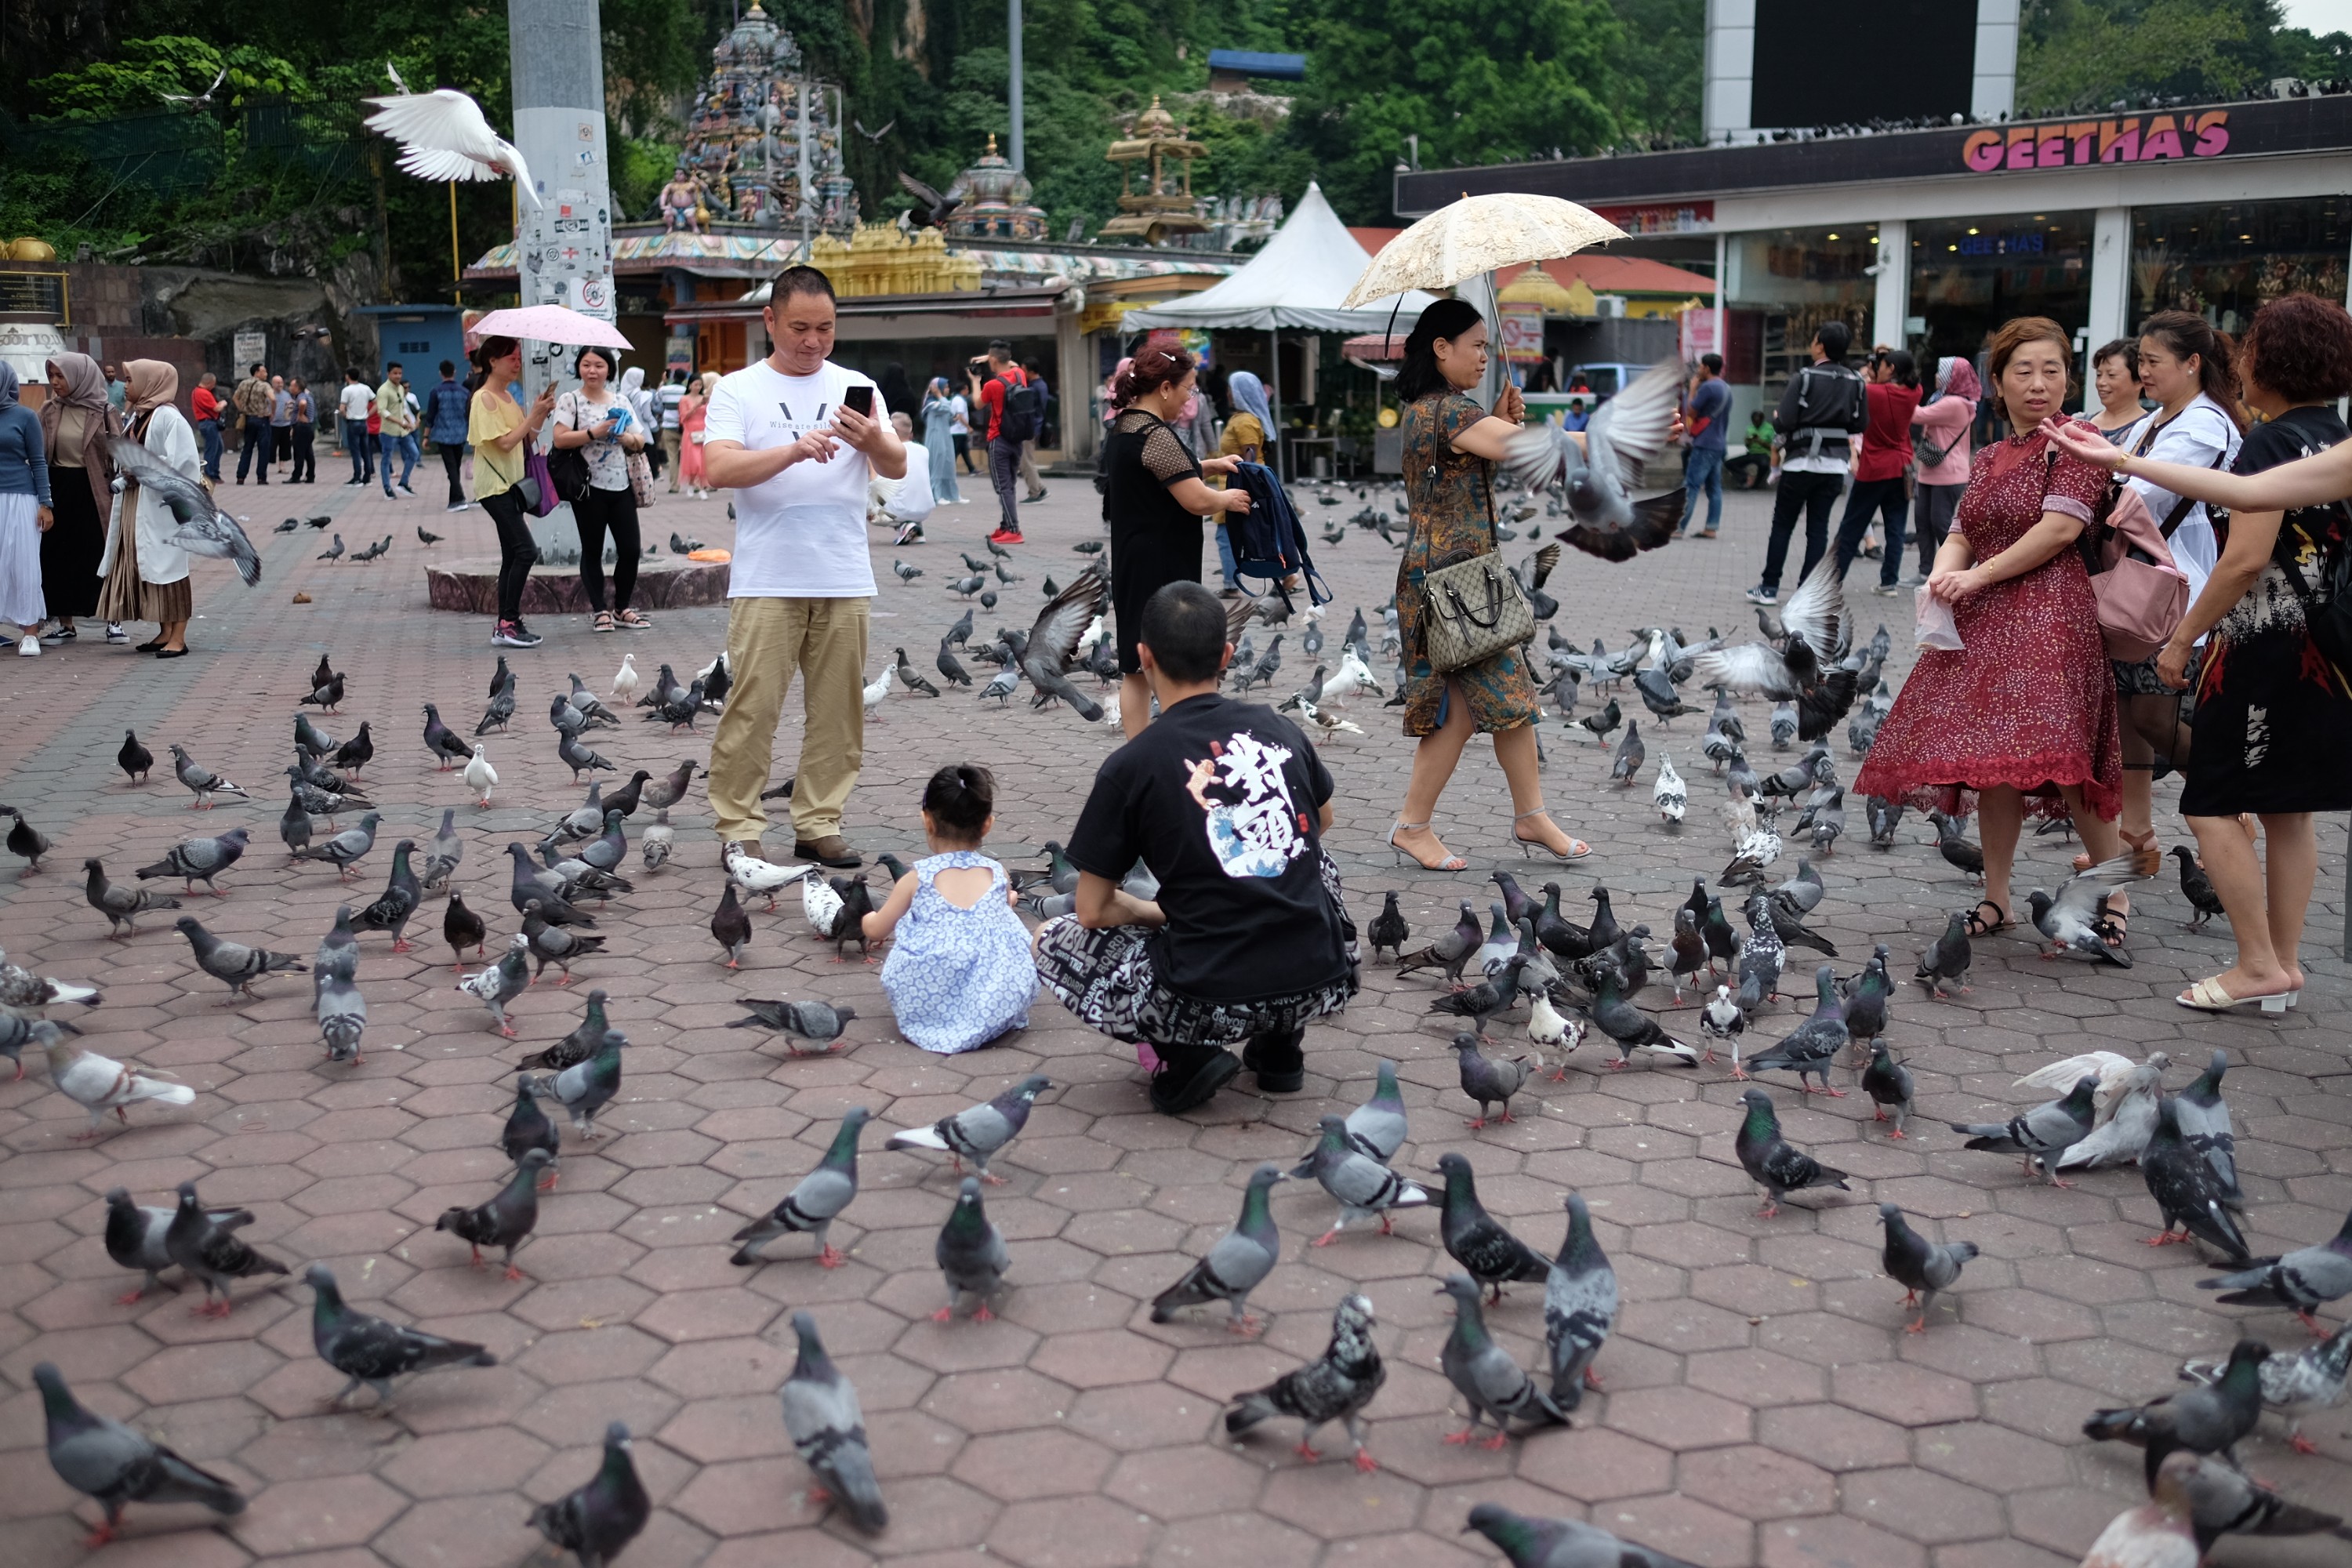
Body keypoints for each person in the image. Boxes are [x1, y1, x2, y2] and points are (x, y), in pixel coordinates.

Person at [2046, 295, 2352, 1011]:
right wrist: (2123, 455)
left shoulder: (2270, 441)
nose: (2240, 361)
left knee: (2212, 805)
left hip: (2260, 648)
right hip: (2322, 650)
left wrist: (2183, 639)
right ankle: (2281, 965)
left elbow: (2244, 557)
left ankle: (2258, 964)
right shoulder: (2333, 437)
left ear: (2275, 360)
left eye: (2251, 348)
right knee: (2290, 811)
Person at [1034, 579, 1358, 1112]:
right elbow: (1323, 820)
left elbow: (1091, 911)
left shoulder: (1132, 764)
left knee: (1053, 937)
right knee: (1315, 861)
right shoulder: (1278, 728)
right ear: (1227, 655)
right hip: (1321, 979)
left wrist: (1158, 912)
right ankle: (1281, 1047)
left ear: (1144, 657)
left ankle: (1186, 1056)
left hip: (1207, 999)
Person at [1852, 317, 2125, 940]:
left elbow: (2060, 530)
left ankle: (2114, 894)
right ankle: (1997, 897)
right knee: (1995, 764)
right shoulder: (1989, 455)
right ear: (1997, 383)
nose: (2039, 384)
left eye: (2052, 370)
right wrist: (1941, 578)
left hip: (2053, 621)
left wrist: (1976, 577)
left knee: (2066, 762)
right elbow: (1961, 531)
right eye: (2023, 371)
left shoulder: (2080, 440)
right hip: (1986, 623)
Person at [702, 264, 906, 872]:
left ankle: (819, 823)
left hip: (844, 575)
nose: (814, 341)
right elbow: (719, 468)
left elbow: (895, 466)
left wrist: (873, 440)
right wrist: (793, 449)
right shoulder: (738, 389)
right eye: (799, 328)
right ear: (770, 320)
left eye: (825, 328)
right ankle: (740, 827)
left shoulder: (857, 385)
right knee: (753, 709)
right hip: (768, 577)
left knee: (839, 713)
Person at [1386, 296, 1590, 871]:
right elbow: (1520, 448)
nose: (1484, 356)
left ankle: (1528, 815)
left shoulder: (1435, 409)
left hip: (1460, 581)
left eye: (1486, 345)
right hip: (1450, 588)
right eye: (1475, 346)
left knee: (1506, 698)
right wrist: (1609, 438)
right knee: (1468, 706)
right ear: (1441, 348)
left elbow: (1486, 451)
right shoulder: (1449, 412)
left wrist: (1497, 417)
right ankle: (1415, 826)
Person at [2092, 313, 2246, 910]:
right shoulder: (2155, 419)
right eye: (2142, 361)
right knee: (2127, 712)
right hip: (2139, 586)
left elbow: (2136, 493)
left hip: (2179, 592)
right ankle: (2137, 836)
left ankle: (2229, 804)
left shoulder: (2205, 423)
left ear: (2192, 364)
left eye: (2153, 362)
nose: (2143, 372)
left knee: (2156, 718)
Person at [1104, 345, 1253, 740]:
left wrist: (1211, 465)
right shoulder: (1155, 435)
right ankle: (1180, 745)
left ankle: (1138, 750)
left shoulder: (1126, 426)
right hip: (1161, 564)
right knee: (1174, 665)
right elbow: (1196, 500)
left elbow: (1160, 472)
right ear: (1165, 388)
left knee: (1136, 668)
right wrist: (1229, 498)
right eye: (1189, 388)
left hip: (1133, 560)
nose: (1190, 398)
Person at [862, 764, 1036, 1054]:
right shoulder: (997, 872)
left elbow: (878, 930)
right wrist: (1012, 899)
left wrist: (867, 917)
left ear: (927, 822)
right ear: (987, 825)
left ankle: (935, 1020)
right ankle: (989, 1019)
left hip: (928, 995)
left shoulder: (917, 878)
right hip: (997, 996)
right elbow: (1000, 904)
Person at [1749, 321, 1867, 606]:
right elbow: (1860, 423)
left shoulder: (1804, 377)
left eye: (1814, 340)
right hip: (1834, 467)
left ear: (1820, 346)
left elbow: (1784, 422)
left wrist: (1780, 419)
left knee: (1783, 525)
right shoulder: (1856, 381)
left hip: (1800, 463)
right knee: (1818, 529)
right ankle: (1807, 594)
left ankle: (1769, 588)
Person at [96, 360, 199, 659]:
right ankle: (165, 631)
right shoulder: (140, 415)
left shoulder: (169, 418)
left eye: (130, 380)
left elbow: (184, 464)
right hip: (138, 502)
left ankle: (178, 637)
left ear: (150, 382)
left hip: (162, 506)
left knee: (170, 569)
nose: (125, 386)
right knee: (151, 566)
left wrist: (141, 471)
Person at [464, 336, 557, 649]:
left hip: (512, 485)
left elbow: (524, 440)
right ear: (493, 361)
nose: (517, 364)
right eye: (512, 358)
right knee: (526, 551)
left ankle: (506, 624)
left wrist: (539, 414)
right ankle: (508, 623)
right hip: (495, 487)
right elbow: (503, 443)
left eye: (519, 358)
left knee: (512, 555)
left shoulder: (507, 397)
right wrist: (531, 416)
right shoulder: (484, 399)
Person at [553, 345, 652, 633]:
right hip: (587, 488)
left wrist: (625, 438)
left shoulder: (621, 400)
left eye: (599, 365)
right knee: (592, 550)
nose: (592, 371)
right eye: (586, 365)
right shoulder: (570, 400)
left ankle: (622, 608)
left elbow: (640, 440)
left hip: (621, 486)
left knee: (631, 550)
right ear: (579, 368)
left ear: (609, 369)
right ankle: (600, 611)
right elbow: (559, 439)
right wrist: (593, 433)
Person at [37, 352, 120, 644]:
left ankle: (113, 620)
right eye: (52, 375)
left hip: (94, 489)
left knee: (99, 552)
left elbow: (119, 451)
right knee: (59, 555)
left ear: (79, 377)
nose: (55, 382)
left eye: (61, 376)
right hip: (59, 488)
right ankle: (65, 623)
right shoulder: (49, 410)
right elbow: (39, 453)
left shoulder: (104, 410)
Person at [1831, 348, 1923, 592]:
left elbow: (1859, 393)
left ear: (1891, 369)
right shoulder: (1915, 392)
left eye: (1881, 364)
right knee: (1895, 528)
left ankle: (1831, 582)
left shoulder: (1872, 392)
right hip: (1902, 467)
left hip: (1874, 468)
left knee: (1852, 526)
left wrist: (1871, 376)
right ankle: (1889, 582)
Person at [1906, 356, 1980, 586]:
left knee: (1940, 522)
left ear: (1953, 377)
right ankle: (1925, 571)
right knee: (1922, 522)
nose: (1937, 376)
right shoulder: (1941, 399)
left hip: (1949, 474)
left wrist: (1903, 392)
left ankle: (1955, 568)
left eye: (1942, 372)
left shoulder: (1954, 404)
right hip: (1930, 470)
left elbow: (1916, 415)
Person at [0, 363, 49, 654]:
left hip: (21, 497)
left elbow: (38, 461)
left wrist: (46, 503)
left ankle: (30, 632)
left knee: (24, 565)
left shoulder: (26, 417)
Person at [1214, 369, 1272, 597]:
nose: (1228, 393)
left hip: (1240, 485)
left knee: (1226, 535)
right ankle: (1285, 575)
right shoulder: (1241, 418)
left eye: (1231, 389)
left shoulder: (1246, 422)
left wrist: (1243, 490)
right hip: (1233, 484)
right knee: (1254, 533)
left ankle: (1231, 584)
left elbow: (1250, 457)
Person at [969, 340, 1030, 544]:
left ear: (994, 361)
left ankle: (1013, 530)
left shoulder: (993, 385)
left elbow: (978, 403)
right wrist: (991, 357)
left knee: (1003, 487)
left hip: (998, 440)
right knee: (1009, 485)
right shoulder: (1020, 375)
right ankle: (1006, 526)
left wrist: (975, 381)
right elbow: (1013, 364)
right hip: (1016, 440)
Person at [1678, 352, 1731, 539]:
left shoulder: (1708, 388)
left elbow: (1691, 411)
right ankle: (1711, 527)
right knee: (1714, 487)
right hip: (1719, 444)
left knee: (1691, 485)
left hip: (1705, 443)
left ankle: (1678, 527)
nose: (1699, 370)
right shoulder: (1726, 388)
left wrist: (1692, 389)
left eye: (1701, 366)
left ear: (1707, 368)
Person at [878, 410, 936, 544]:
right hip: (925, 510)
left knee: (868, 500)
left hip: (901, 510)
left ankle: (903, 526)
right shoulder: (924, 450)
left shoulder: (890, 451)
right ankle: (917, 531)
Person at [422, 361, 471, 511]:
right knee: (455, 467)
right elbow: (469, 413)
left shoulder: (436, 392)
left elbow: (430, 416)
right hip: (461, 434)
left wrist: (426, 437)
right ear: (454, 372)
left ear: (440, 373)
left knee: (451, 468)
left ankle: (459, 499)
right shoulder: (464, 392)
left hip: (443, 435)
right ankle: (454, 500)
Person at [2088, 339, 2147, 440]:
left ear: (2139, 381)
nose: (2101, 382)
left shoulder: (2148, 429)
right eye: (2099, 375)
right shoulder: (2080, 422)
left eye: (2111, 375)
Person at [376, 361, 417, 497]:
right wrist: (401, 422)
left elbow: (402, 407)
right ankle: (387, 489)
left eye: (400, 373)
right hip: (389, 432)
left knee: (414, 454)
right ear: (388, 374)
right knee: (387, 459)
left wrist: (410, 422)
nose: (398, 376)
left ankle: (403, 483)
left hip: (403, 431)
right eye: (395, 373)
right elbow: (382, 411)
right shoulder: (383, 390)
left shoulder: (400, 388)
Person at [920, 376, 962, 505]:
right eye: (945, 387)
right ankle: (936, 495)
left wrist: (953, 420)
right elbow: (946, 408)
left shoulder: (942, 402)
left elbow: (947, 416)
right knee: (937, 465)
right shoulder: (931, 403)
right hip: (936, 437)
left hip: (946, 437)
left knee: (949, 465)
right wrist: (939, 395)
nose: (948, 389)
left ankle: (952, 495)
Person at [233, 361, 273, 485]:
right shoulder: (264, 385)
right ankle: (261, 477)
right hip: (262, 419)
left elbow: (235, 397)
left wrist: (242, 409)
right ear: (257, 372)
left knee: (247, 448)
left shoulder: (244, 383)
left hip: (248, 419)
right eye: (264, 371)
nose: (266, 374)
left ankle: (241, 476)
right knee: (263, 449)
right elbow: (273, 398)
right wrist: (272, 413)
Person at [1018, 360, 1051, 501]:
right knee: (1027, 460)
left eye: (1023, 370)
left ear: (1030, 372)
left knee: (1026, 462)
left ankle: (1035, 492)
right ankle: (1040, 488)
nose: (1022, 372)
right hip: (1035, 426)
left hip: (1030, 427)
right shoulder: (1041, 385)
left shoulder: (1033, 388)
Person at [678, 371, 713, 498]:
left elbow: (709, 415)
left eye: (700, 385)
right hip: (690, 432)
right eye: (696, 384)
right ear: (690, 385)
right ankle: (698, 487)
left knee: (702, 461)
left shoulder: (703, 399)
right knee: (694, 461)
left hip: (703, 431)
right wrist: (697, 406)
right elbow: (683, 417)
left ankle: (696, 486)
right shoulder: (684, 399)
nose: (698, 387)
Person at [339, 368, 376, 486]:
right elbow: (376, 403)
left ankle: (357, 477)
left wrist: (346, 416)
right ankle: (367, 477)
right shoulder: (366, 388)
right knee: (365, 450)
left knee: (355, 451)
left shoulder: (346, 390)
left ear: (347, 376)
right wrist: (368, 414)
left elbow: (342, 408)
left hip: (353, 421)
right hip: (364, 422)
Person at [1724, 408, 1774, 489]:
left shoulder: (1769, 428)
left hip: (1764, 454)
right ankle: (1746, 477)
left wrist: (1761, 442)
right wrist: (1748, 442)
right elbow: (1748, 446)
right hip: (1752, 453)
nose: (1756, 423)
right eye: (1754, 422)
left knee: (1764, 465)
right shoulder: (1750, 428)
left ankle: (1756, 484)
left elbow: (1773, 447)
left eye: (1758, 421)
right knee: (1729, 463)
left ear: (1762, 420)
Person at [190, 371, 223, 481]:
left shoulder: (195, 392)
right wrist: (223, 403)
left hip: (205, 423)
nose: (214, 386)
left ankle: (214, 472)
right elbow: (217, 408)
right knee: (213, 449)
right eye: (214, 383)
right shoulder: (204, 393)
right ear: (210, 383)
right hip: (209, 423)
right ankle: (210, 473)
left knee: (218, 447)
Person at [658, 369, 687, 492]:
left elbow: (657, 402)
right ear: (685, 379)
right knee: (690, 456)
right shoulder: (686, 391)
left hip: (669, 427)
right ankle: (695, 484)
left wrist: (663, 382)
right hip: (685, 428)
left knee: (672, 458)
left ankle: (674, 486)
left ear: (673, 377)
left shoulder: (664, 390)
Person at [286, 377, 316, 483]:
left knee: (299, 453)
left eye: (291, 386)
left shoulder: (301, 397)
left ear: (297, 387)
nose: (290, 388)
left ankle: (296, 476)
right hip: (308, 427)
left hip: (302, 427)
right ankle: (310, 475)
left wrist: (300, 414)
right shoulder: (308, 395)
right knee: (308, 452)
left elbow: (303, 403)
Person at [267, 373, 293, 468]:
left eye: (281, 382)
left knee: (285, 446)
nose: (280, 384)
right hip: (273, 424)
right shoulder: (269, 395)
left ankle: (282, 465)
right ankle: (267, 464)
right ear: (273, 384)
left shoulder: (287, 395)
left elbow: (290, 408)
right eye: (277, 382)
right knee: (271, 446)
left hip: (285, 424)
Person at [950, 383, 975, 474]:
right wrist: (968, 427)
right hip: (958, 431)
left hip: (958, 430)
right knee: (955, 452)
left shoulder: (955, 399)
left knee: (964, 451)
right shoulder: (960, 401)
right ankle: (950, 470)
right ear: (963, 391)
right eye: (967, 390)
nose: (968, 392)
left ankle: (972, 469)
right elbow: (960, 416)